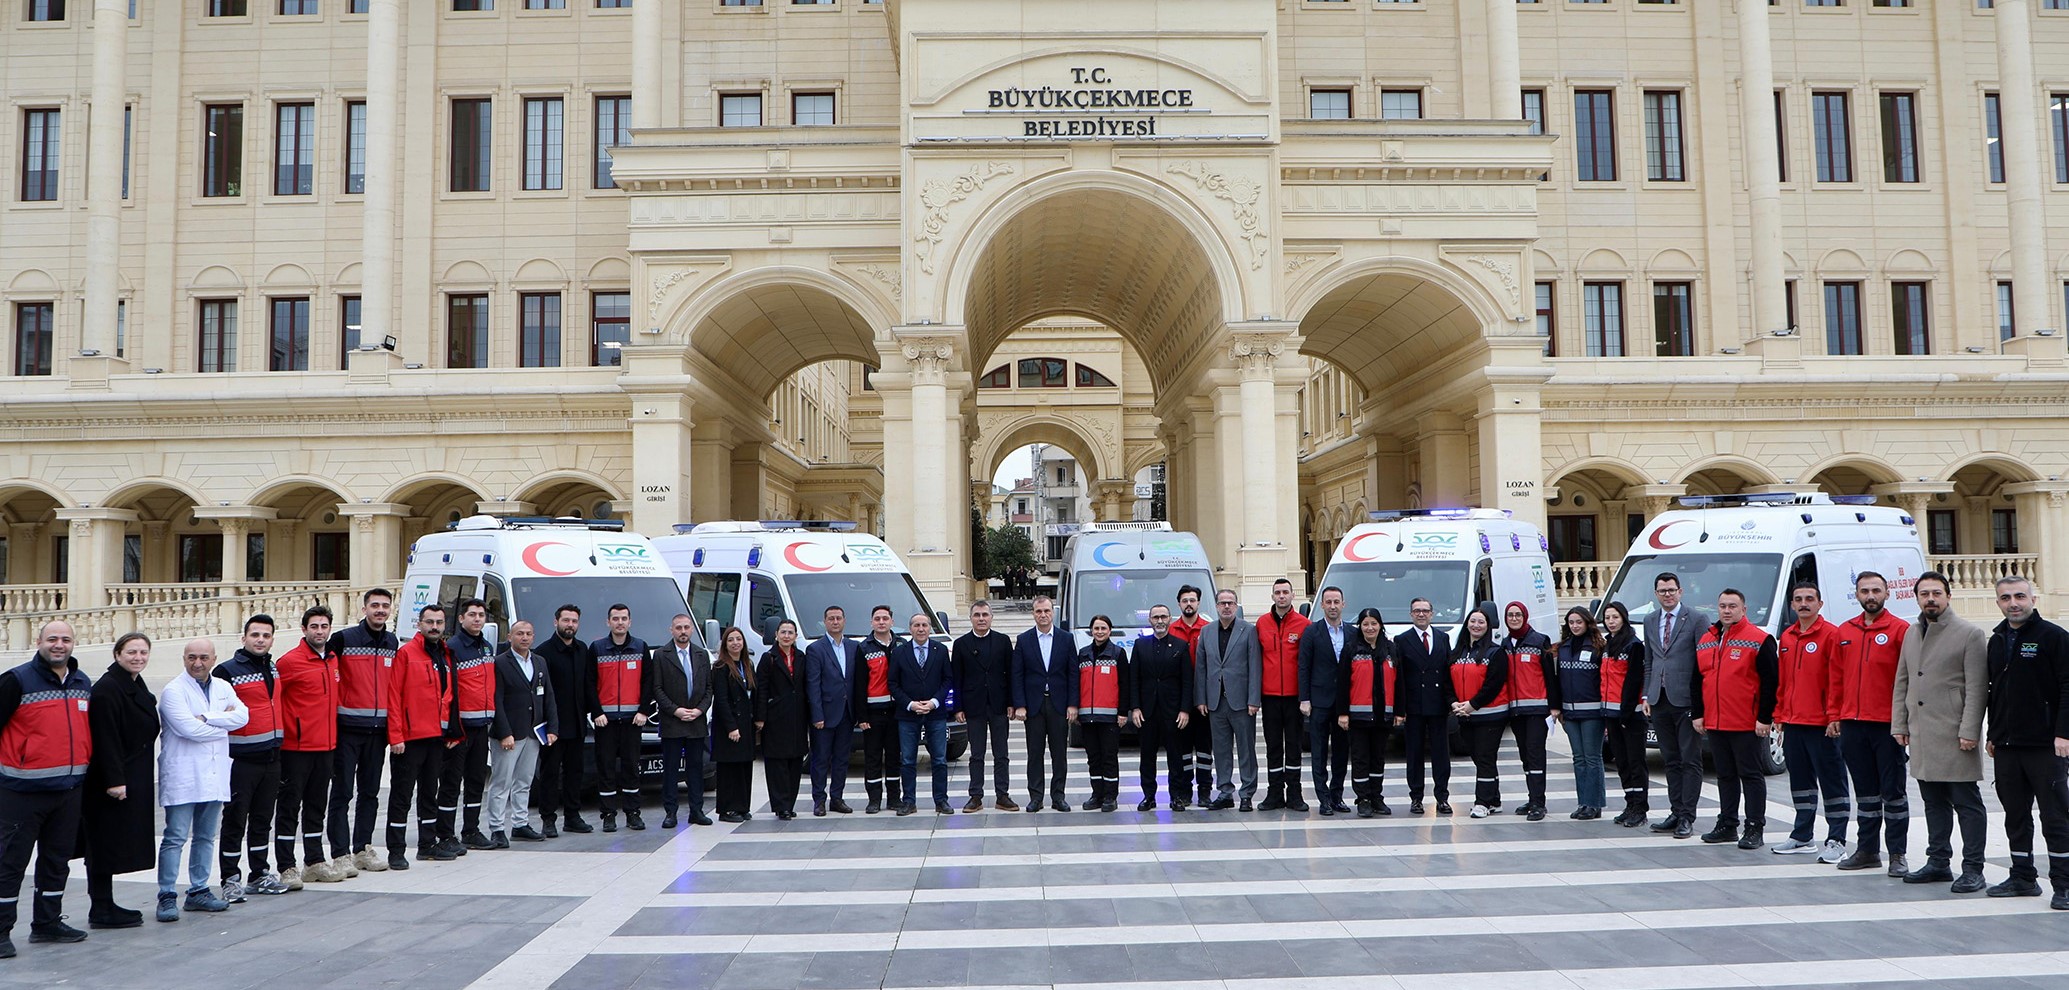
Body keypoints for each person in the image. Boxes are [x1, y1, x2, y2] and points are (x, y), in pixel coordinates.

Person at [0, 622, 96, 952]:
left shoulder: (83, 682)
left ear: (74, 643)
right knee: (9, 864)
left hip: (68, 791)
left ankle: (47, 922)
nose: (59, 645)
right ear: (39, 641)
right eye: (52, 639)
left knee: (56, 860)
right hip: (20, 793)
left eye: (66, 639)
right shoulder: (16, 680)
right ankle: (0, 932)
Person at [1891, 570, 1989, 893]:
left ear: (1948, 596)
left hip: (1954, 734)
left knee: (1966, 803)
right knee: (1932, 802)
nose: (1930, 599)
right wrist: (1899, 724)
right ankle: (1938, 861)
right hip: (1921, 735)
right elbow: (1902, 681)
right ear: (1916, 597)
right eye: (1924, 594)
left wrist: (1970, 730)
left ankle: (1973, 868)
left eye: (1936, 593)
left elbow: (1977, 688)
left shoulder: (1969, 633)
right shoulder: (1911, 633)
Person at [1983, 575, 2069, 908]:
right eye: (2006, 598)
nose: (2013, 603)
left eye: (2020, 596)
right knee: (2015, 814)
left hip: (2045, 745)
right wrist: (1993, 734)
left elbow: (2067, 686)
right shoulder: (1997, 640)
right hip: (2007, 746)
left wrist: (2063, 733)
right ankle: (2022, 876)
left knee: (2055, 815)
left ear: (2033, 599)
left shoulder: (2053, 637)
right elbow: (1995, 692)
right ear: (1999, 603)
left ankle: (2063, 883)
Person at [156, 638, 248, 924]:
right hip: (184, 773)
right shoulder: (173, 691)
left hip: (213, 773)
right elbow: (187, 729)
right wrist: (223, 724)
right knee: (175, 837)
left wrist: (207, 717)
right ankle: (167, 895)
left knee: (206, 837)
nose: (198, 663)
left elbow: (243, 716)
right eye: (192, 657)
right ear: (184, 658)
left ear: (214, 659)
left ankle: (198, 890)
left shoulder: (222, 686)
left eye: (204, 658)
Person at [1832, 571, 1912, 875]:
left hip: (1887, 725)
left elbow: (1908, 680)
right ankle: (1867, 850)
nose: (1870, 596)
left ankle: (1897, 854)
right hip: (1853, 723)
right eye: (1864, 591)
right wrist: (1835, 715)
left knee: (1893, 792)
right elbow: (1836, 677)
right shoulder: (1845, 631)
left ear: (1887, 593)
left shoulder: (1901, 630)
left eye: (1876, 590)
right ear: (1857, 595)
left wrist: (1904, 723)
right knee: (1865, 791)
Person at [79, 633, 158, 929]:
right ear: (117, 655)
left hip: (131, 773)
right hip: (111, 781)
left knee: (112, 843)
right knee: (103, 844)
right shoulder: (108, 689)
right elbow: (105, 738)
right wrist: (114, 780)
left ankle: (105, 903)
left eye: (143, 652)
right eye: (131, 652)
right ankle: (100, 908)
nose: (138, 657)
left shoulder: (132, 683)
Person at [1692, 589, 1780, 850]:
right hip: (1717, 722)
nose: (1727, 610)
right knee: (1725, 775)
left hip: (1746, 722)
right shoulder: (1707, 639)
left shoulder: (1759, 639)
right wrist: (1698, 713)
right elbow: (1697, 680)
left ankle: (1754, 827)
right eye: (1722, 606)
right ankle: (1727, 824)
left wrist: (1765, 718)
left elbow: (1770, 682)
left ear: (1744, 609)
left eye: (1732, 606)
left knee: (1751, 776)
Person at [1771, 583, 1851, 861]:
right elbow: (1783, 681)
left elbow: (1836, 680)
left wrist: (1834, 717)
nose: (1803, 604)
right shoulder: (1788, 637)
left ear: (1820, 603)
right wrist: (1780, 715)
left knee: (1832, 782)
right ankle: (1802, 836)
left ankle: (1837, 839)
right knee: (1801, 782)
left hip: (1822, 725)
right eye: (1798, 600)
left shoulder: (1831, 635)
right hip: (1793, 723)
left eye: (1809, 599)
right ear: (1791, 605)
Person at [213, 614, 287, 900]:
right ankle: (230, 878)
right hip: (240, 759)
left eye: (266, 636)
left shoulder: (272, 668)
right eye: (255, 635)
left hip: (271, 757)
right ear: (243, 638)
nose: (260, 640)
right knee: (235, 819)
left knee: (262, 819)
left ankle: (259, 874)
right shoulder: (226, 671)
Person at [328, 588, 397, 875]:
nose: (380, 610)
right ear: (364, 608)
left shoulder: (392, 642)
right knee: (342, 793)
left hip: (378, 732)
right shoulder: (344, 639)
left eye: (384, 605)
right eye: (375, 605)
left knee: (370, 793)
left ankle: (362, 848)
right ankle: (340, 853)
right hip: (347, 729)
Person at [274, 607, 345, 885]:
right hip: (295, 749)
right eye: (314, 626)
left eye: (324, 626)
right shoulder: (289, 662)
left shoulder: (332, 659)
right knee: (290, 807)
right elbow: (275, 699)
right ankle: (286, 866)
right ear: (303, 630)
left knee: (317, 806)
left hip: (325, 747)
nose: (319, 631)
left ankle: (314, 861)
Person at [386, 603, 460, 870]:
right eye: (429, 622)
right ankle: (396, 850)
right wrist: (396, 736)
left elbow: (449, 697)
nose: (435, 627)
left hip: (435, 737)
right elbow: (393, 696)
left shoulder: (445, 655)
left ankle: (427, 845)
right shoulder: (406, 654)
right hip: (409, 739)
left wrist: (452, 732)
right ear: (419, 624)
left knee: (430, 793)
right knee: (401, 796)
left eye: (439, 622)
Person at [1643, 572, 1710, 840]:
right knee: (1669, 759)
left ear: (1680, 592)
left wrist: (1700, 705)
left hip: (1686, 700)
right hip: (1659, 699)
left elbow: (1703, 663)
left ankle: (1687, 816)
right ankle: (1675, 810)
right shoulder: (1650, 620)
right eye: (1662, 591)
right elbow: (1649, 661)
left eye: (1671, 590)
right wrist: (1646, 695)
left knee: (1689, 759)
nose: (1667, 594)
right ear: (1656, 594)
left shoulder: (1696, 619)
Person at [436, 598, 498, 855]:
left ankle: (471, 830)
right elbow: (448, 692)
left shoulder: (485, 646)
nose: (477, 619)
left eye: (481, 615)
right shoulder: (452, 647)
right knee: (451, 783)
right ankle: (446, 834)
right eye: (472, 614)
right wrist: (451, 728)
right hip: (459, 728)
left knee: (475, 782)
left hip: (481, 726)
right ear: (461, 618)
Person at [487, 620, 557, 845]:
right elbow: (495, 700)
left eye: (528, 634)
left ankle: (520, 823)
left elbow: (548, 696)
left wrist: (552, 728)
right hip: (508, 734)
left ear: (533, 637)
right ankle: (497, 828)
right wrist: (504, 732)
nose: (524, 638)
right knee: (501, 782)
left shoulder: (539, 662)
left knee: (524, 781)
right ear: (510, 637)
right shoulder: (499, 663)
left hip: (533, 732)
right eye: (519, 634)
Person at [588, 603, 653, 833]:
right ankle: (608, 814)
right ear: (608, 622)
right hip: (605, 721)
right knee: (605, 768)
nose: (620, 623)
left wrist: (643, 710)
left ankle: (633, 813)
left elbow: (648, 682)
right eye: (615, 619)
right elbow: (589, 684)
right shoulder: (597, 648)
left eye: (624, 618)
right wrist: (596, 712)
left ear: (630, 622)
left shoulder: (640, 647)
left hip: (632, 721)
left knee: (631, 768)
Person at [534, 604, 596, 836]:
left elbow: (588, 686)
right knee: (550, 774)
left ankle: (572, 817)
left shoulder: (582, 650)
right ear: (556, 622)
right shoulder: (543, 653)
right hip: (553, 726)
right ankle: (548, 820)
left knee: (575, 773)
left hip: (578, 723)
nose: (570, 625)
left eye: (574, 621)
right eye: (566, 620)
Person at [1197, 589, 1261, 812]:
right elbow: (1201, 668)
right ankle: (1225, 791)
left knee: (1246, 749)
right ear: (1216, 606)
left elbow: (1255, 666)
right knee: (1221, 750)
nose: (1226, 607)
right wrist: (1201, 699)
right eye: (1222, 603)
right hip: (1215, 702)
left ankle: (1247, 793)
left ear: (1236, 606)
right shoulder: (1206, 632)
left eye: (1230, 603)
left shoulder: (1249, 630)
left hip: (1242, 702)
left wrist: (1254, 699)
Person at [1011, 596, 1076, 812]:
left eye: (1046, 611)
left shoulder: (1066, 639)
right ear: (1033, 614)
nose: (1043, 615)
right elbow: (1017, 675)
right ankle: (1036, 797)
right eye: (1038, 611)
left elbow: (1072, 674)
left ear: (1053, 612)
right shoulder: (1024, 640)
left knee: (1059, 754)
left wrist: (1072, 704)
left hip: (1059, 705)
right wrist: (1020, 704)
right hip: (1034, 706)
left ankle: (1058, 796)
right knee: (1034, 753)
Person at [952, 601, 1017, 812]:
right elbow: (957, 678)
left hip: (999, 706)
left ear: (991, 617)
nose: (981, 619)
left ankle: (1002, 795)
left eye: (985, 615)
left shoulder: (1003, 641)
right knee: (976, 754)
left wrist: (1011, 703)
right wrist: (958, 707)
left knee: (1002, 753)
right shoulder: (961, 644)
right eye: (977, 615)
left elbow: (1011, 674)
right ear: (970, 618)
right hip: (973, 707)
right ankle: (975, 796)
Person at [649, 614, 713, 829]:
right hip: (672, 721)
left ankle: (697, 810)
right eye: (678, 628)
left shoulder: (701, 654)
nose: (683, 631)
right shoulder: (660, 655)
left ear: (692, 630)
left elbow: (708, 689)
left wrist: (699, 710)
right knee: (671, 769)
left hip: (696, 721)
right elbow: (657, 688)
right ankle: (671, 812)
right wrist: (675, 710)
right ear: (671, 630)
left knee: (696, 768)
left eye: (686, 627)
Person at [1394, 597, 1455, 816]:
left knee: (1441, 755)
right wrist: (1400, 709)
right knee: (1415, 755)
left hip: (1438, 705)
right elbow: (1398, 678)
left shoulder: (1442, 637)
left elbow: (1448, 673)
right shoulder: (1402, 640)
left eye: (1425, 611)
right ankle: (1416, 798)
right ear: (1411, 614)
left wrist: (1451, 701)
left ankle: (1442, 797)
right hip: (1414, 707)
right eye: (1416, 611)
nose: (1421, 614)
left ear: (1432, 613)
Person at [1131, 604, 1195, 812]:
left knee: (1175, 756)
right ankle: (1148, 796)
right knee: (1146, 756)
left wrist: (1185, 709)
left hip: (1173, 712)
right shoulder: (1140, 645)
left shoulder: (1180, 645)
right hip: (1147, 712)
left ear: (1170, 619)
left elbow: (1187, 681)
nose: (1160, 621)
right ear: (1149, 620)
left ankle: (1176, 796)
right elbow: (1134, 679)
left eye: (1163, 617)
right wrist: (1136, 707)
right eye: (1155, 617)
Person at [892, 613, 955, 816]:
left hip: (935, 713)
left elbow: (947, 679)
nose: (921, 629)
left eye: (925, 625)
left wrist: (934, 702)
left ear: (930, 628)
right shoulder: (899, 652)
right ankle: (909, 801)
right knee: (908, 760)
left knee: (939, 759)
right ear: (910, 629)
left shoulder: (941, 650)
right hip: (908, 714)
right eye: (917, 625)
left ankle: (941, 801)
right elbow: (893, 683)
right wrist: (910, 704)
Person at [1256, 578, 1310, 812]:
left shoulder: (1304, 624)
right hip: (1269, 696)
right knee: (1273, 746)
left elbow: (1307, 663)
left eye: (1285, 592)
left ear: (1292, 595)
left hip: (1294, 696)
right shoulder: (1261, 623)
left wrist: (1306, 696)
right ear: (1272, 596)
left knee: (1294, 745)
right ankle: (1274, 792)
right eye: (1277, 592)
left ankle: (1295, 793)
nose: (1281, 596)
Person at [1297, 587, 1352, 816]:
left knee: (1341, 751)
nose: (1332, 606)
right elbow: (1303, 666)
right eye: (1328, 602)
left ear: (1343, 604)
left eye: (1336, 601)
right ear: (1321, 605)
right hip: (1319, 701)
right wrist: (1304, 698)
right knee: (1318, 753)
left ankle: (1337, 795)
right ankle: (1323, 798)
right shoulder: (1312, 632)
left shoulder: (1353, 632)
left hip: (1345, 703)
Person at [1549, 607, 1608, 820]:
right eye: (1571, 622)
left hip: (1593, 713)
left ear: (1587, 623)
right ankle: (1583, 802)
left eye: (1578, 622)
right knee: (1578, 758)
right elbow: (1556, 680)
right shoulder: (1562, 648)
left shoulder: (1598, 647)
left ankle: (1594, 804)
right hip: (1570, 715)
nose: (1575, 626)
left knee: (1592, 758)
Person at [1449, 607, 1508, 817]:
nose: (1476, 625)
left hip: (1490, 715)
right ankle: (1494, 799)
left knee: (1484, 757)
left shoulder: (1495, 652)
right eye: (1473, 621)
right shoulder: (1458, 652)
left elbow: (1493, 685)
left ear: (1488, 626)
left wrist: (1473, 704)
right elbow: (1449, 682)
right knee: (1481, 758)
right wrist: (1454, 703)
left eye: (1481, 622)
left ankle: (1482, 802)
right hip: (1465, 715)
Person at [1500, 602, 1556, 822]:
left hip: (1536, 709)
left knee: (1535, 755)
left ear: (1525, 616)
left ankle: (1538, 803)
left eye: (1517, 615)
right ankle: (1532, 797)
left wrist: (1554, 706)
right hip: (1515, 711)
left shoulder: (1539, 641)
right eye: (1510, 615)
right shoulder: (1504, 644)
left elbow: (1550, 676)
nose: (1514, 618)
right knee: (1525, 756)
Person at [1336, 608, 1394, 819]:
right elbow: (1342, 683)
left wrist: (1400, 711)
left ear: (1380, 625)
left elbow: (1399, 682)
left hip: (1382, 716)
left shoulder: (1390, 649)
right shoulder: (1351, 649)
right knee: (1361, 759)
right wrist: (1342, 713)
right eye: (1365, 624)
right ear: (1360, 627)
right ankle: (1363, 799)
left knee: (1378, 759)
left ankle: (1377, 797)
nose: (1370, 628)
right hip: (1358, 717)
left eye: (1374, 623)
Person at [805, 605, 861, 816]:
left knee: (842, 759)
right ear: (825, 622)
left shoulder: (853, 647)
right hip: (825, 715)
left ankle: (837, 798)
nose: (835, 622)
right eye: (831, 618)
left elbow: (855, 681)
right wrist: (817, 715)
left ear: (844, 621)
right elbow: (813, 684)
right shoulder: (815, 649)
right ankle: (819, 800)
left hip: (847, 713)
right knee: (820, 759)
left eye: (838, 618)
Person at [1600, 603, 1651, 828]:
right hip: (1611, 713)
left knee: (1635, 762)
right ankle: (1630, 803)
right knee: (1621, 762)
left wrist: (1626, 713)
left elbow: (1633, 680)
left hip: (1630, 715)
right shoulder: (1607, 644)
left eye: (1615, 617)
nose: (1611, 621)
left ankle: (1640, 808)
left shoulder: (1633, 645)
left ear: (1624, 618)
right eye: (1608, 617)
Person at [1072, 616, 1129, 813]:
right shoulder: (1083, 654)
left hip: (1110, 718)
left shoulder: (1118, 653)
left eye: (1103, 628)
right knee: (1093, 757)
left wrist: (1123, 712)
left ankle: (1111, 796)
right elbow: (1077, 685)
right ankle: (1097, 795)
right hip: (1087, 717)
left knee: (1109, 757)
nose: (1099, 631)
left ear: (1110, 630)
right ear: (1091, 631)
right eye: (1096, 628)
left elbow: (1124, 684)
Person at [754, 620, 810, 820]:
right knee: (777, 763)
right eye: (783, 632)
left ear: (795, 636)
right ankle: (780, 805)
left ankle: (790, 803)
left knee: (795, 761)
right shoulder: (768, 658)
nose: (787, 636)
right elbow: (761, 689)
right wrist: (760, 718)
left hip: (797, 716)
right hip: (775, 717)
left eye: (791, 633)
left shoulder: (802, 657)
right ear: (776, 634)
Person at [853, 607, 903, 814]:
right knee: (872, 757)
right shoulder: (864, 647)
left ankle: (894, 798)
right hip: (873, 713)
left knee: (894, 756)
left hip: (897, 712)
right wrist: (861, 715)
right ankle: (874, 800)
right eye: (877, 619)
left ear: (892, 621)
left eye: (885, 618)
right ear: (871, 622)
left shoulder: (901, 645)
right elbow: (859, 684)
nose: (881, 622)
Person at [1170, 585, 1213, 811]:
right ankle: (1185, 791)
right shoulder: (1171, 630)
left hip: (1204, 700)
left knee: (1205, 747)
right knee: (1183, 749)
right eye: (1184, 600)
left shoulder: (1208, 629)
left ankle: (1205, 791)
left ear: (1199, 603)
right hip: (1179, 702)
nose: (1189, 604)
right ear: (1179, 603)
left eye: (1193, 600)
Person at [711, 628, 758, 823]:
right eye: (731, 640)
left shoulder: (747, 664)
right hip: (729, 727)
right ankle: (727, 809)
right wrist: (731, 727)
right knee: (729, 770)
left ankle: (742, 806)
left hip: (746, 724)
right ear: (725, 644)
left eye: (739, 639)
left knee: (744, 768)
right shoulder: (721, 667)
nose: (735, 643)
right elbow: (721, 700)